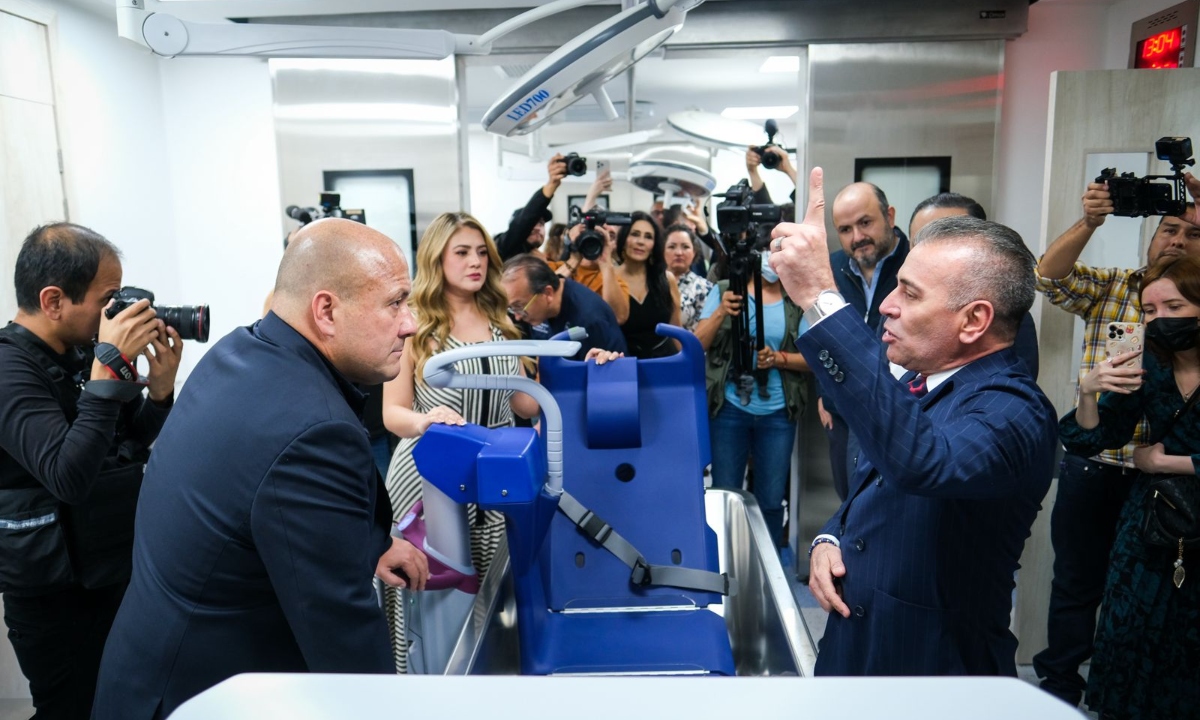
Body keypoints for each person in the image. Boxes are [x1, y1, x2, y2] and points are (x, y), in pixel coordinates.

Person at [92, 218, 431, 720]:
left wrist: (365, 542)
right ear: (326, 311)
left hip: (143, 669)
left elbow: (255, 498)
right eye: (395, 302)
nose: (410, 324)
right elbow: (345, 643)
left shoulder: (242, 350)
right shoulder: (316, 431)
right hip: (199, 694)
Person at [773, 167, 1057, 676]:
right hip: (857, 648)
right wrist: (830, 537)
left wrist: (821, 293)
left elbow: (920, 461)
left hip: (933, 668)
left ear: (974, 320)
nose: (886, 306)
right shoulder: (918, 379)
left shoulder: (1016, 411)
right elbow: (875, 479)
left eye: (910, 293)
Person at [0, 223, 181, 720]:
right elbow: (68, 476)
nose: (117, 313)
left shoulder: (80, 355)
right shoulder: (9, 370)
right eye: (108, 300)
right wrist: (107, 370)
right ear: (54, 300)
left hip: (110, 570)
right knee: (74, 710)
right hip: (55, 597)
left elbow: (125, 446)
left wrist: (160, 392)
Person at [1032, 176, 1200, 707]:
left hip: (1169, 483)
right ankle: (1060, 691)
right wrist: (1090, 220)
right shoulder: (1117, 287)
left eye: (1192, 234)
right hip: (1100, 461)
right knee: (1078, 585)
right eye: (1168, 229)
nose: (1175, 240)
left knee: (1161, 607)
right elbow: (1047, 277)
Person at [381, 212, 539, 671]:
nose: (476, 262)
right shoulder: (415, 323)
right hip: (428, 483)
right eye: (462, 252)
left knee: (488, 604)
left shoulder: (501, 321)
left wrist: (575, 368)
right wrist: (428, 421)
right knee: (430, 612)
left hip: (493, 486)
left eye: (481, 252)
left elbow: (524, 405)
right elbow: (392, 413)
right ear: (437, 258)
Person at [694, 251, 809, 549]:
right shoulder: (724, 290)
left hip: (778, 412)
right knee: (725, 494)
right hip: (729, 408)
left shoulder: (795, 296)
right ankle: (724, 561)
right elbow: (697, 344)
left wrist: (778, 358)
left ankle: (767, 568)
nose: (770, 258)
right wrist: (721, 311)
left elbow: (813, 358)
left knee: (771, 499)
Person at [908, 192, 1039, 379]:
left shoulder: (1006, 316)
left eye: (946, 241)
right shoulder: (894, 305)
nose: (929, 251)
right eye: (920, 242)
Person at [502, 254, 627, 360]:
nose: (517, 317)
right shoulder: (538, 308)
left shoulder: (588, 319)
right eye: (512, 308)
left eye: (519, 306)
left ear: (548, 293)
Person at [614, 211, 681, 358]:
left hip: (665, 363)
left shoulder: (667, 279)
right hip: (624, 365)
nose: (641, 242)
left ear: (654, 245)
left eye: (648, 237)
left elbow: (676, 329)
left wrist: (688, 363)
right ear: (624, 239)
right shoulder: (610, 279)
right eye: (635, 234)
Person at [496, 153, 565, 262]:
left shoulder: (543, 260)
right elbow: (523, 222)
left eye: (541, 224)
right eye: (532, 223)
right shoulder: (503, 249)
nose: (538, 228)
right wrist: (551, 185)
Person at [664, 223, 714, 332]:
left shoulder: (704, 287)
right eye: (672, 247)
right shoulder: (651, 281)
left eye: (685, 247)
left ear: (694, 252)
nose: (678, 253)